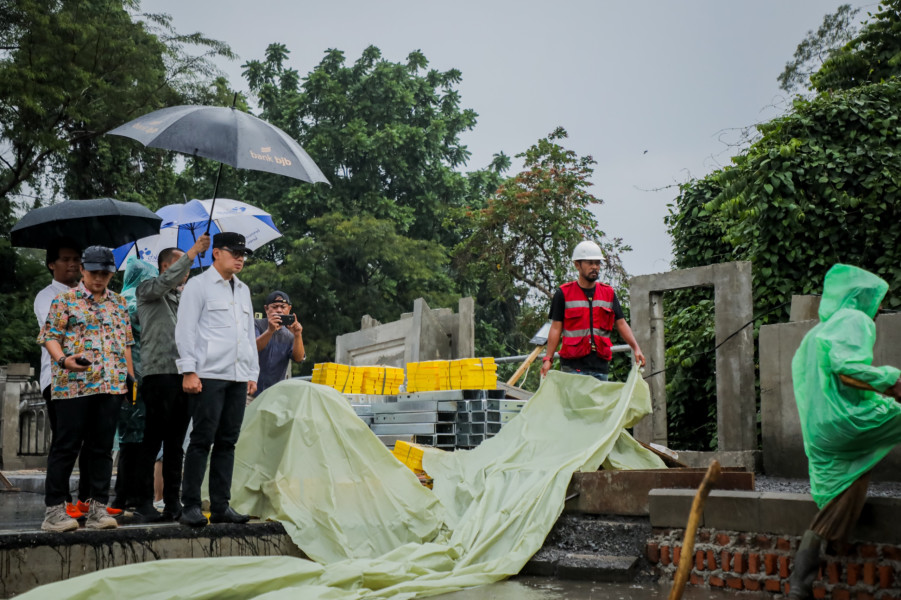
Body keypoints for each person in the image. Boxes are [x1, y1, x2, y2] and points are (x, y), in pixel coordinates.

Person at [787, 264, 901, 600]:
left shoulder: (817, 333)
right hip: (848, 420)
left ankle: (799, 588)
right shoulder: (857, 320)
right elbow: (845, 365)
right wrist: (891, 381)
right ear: (864, 299)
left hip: (822, 431)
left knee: (851, 480)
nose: (879, 309)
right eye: (878, 301)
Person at [38, 246, 135, 532]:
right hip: (73, 385)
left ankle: (97, 509)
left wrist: (129, 377)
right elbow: (49, 337)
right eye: (93, 272)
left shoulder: (118, 303)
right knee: (66, 446)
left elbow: (125, 342)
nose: (98, 278)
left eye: (105, 273)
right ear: (83, 270)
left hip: (111, 384)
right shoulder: (65, 300)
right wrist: (63, 359)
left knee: (102, 448)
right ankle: (54, 510)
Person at [175, 232, 258, 527]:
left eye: (242, 253)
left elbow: (248, 334)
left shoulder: (243, 289)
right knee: (201, 440)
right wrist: (189, 370)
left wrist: (251, 373)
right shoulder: (198, 286)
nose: (239, 258)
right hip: (208, 375)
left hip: (237, 375)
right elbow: (184, 330)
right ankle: (191, 506)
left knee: (228, 442)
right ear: (216, 253)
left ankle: (221, 505)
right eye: (234, 252)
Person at [135, 234, 210, 522]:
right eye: (180, 264)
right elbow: (166, 283)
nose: (186, 270)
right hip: (158, 373)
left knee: (176, 443)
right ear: (165, 266)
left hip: (184, 373)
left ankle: (172, 503)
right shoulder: (148, 289)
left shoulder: (185, 297)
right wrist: (193, 251)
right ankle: (142, 502)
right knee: (153, 439)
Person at [33, 238, 92, 520]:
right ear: (51, 264)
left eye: (76, 259)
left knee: (94, 442)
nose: (73, 264)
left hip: (94, 379)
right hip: (59, 378)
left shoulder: (92, 291)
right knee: (66, 442)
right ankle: (58, 504)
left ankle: (88, 502)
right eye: (66, 259)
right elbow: (57, 330)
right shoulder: (47, 296)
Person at [540, 240, 646, 381]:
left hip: (600, 368)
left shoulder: (608, 293)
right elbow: (555, 328)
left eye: (597, 263)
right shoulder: (563, 293)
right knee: (576, 404)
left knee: (600, 404)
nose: (595, 267)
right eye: (590, 263)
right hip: (572, 368)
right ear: (577, 265)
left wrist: (636, 348)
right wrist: (548, 359)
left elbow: (621, 323)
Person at [111, 256, 160, 521]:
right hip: (140, 375)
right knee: (140, 439)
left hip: (125, 377)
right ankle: (138, 498)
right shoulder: (134, 301)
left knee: (129, 439)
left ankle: (122, 496)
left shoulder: (118, 298)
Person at [253, 290, 305, 399]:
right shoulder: (256, 324)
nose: (279, 310)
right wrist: (269, 331)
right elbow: (253, 348)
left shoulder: (290, 334)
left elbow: (299, 358)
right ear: (266, 309)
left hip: (275, 394)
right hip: (251, 391)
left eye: (283, 306)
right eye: (275, 307)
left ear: (289, 309)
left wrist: (298, 335)